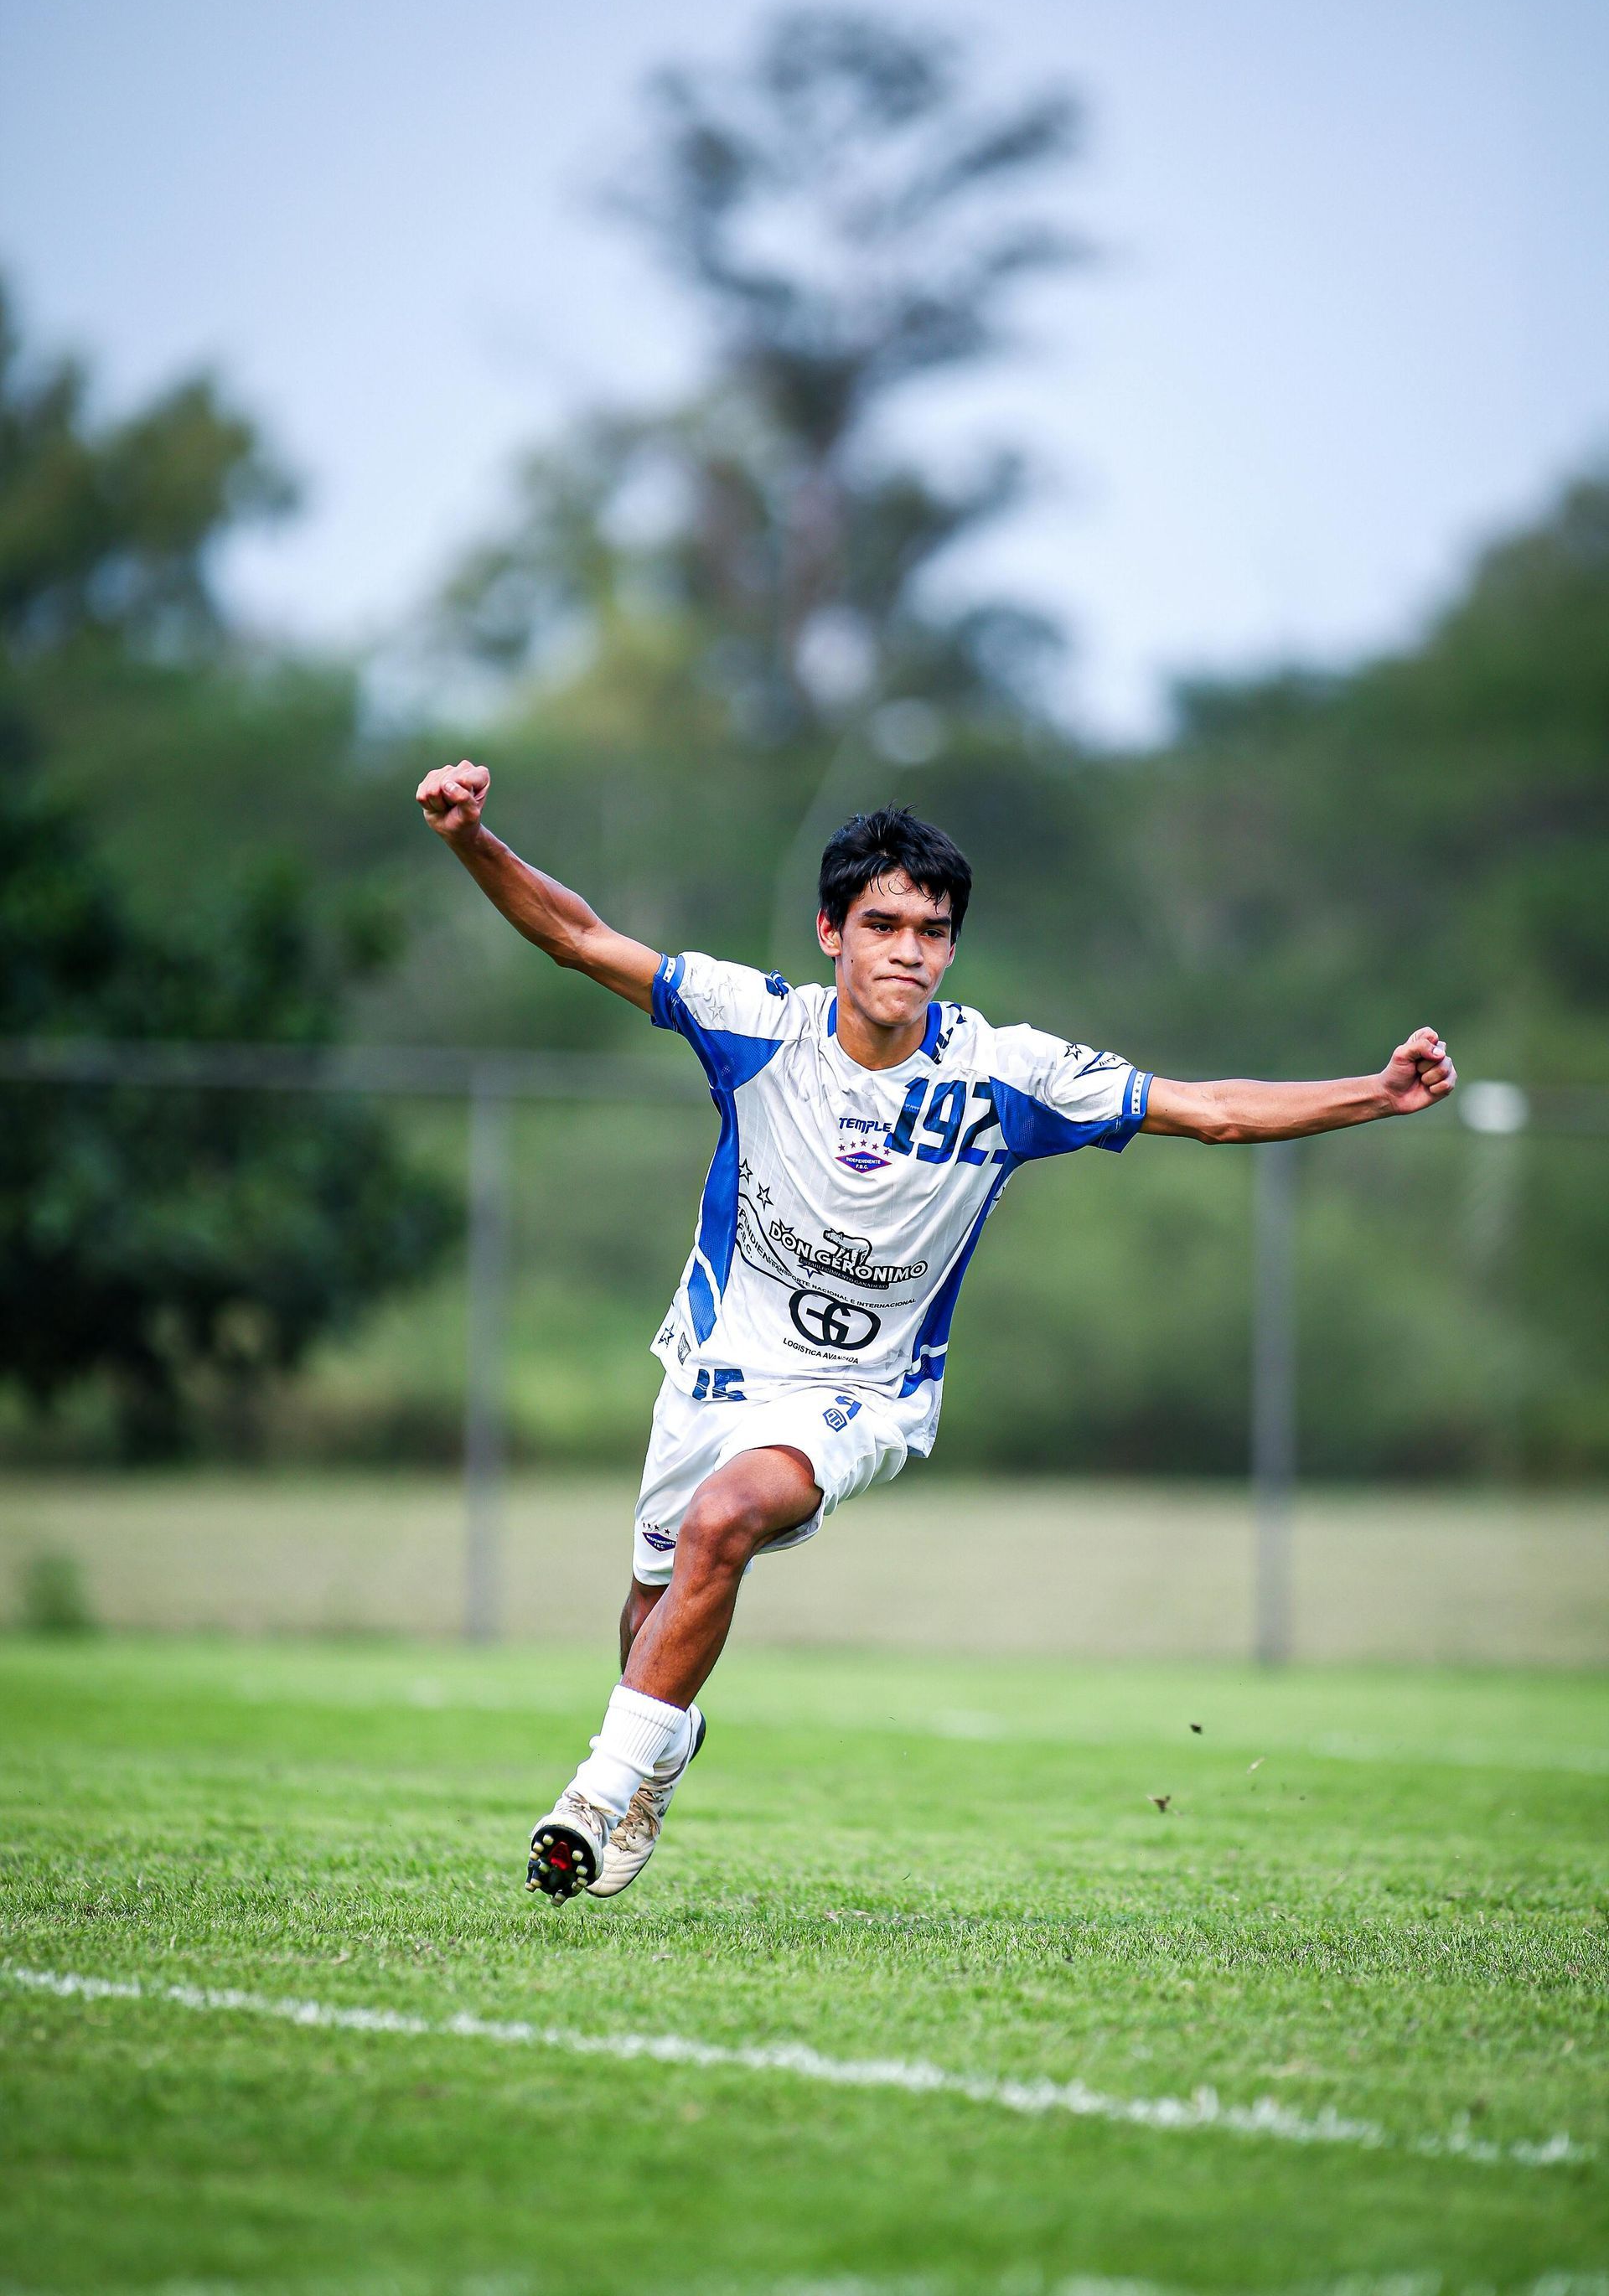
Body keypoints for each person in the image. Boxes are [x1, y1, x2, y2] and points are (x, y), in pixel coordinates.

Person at [415, 763, 1456, 1904]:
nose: (909, 950)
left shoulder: (1006, 1075)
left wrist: (1376, 1093)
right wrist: (471, 839)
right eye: (884, 925)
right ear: (831, 933)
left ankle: (594, 1795)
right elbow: (578, 938)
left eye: (933, 930)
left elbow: (1207, 1110)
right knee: (652, 1603)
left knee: (725, 1521)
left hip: (863, 1392)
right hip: (716, 1365)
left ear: (952, 949)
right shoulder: (756, 1023)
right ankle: (662, 1751)